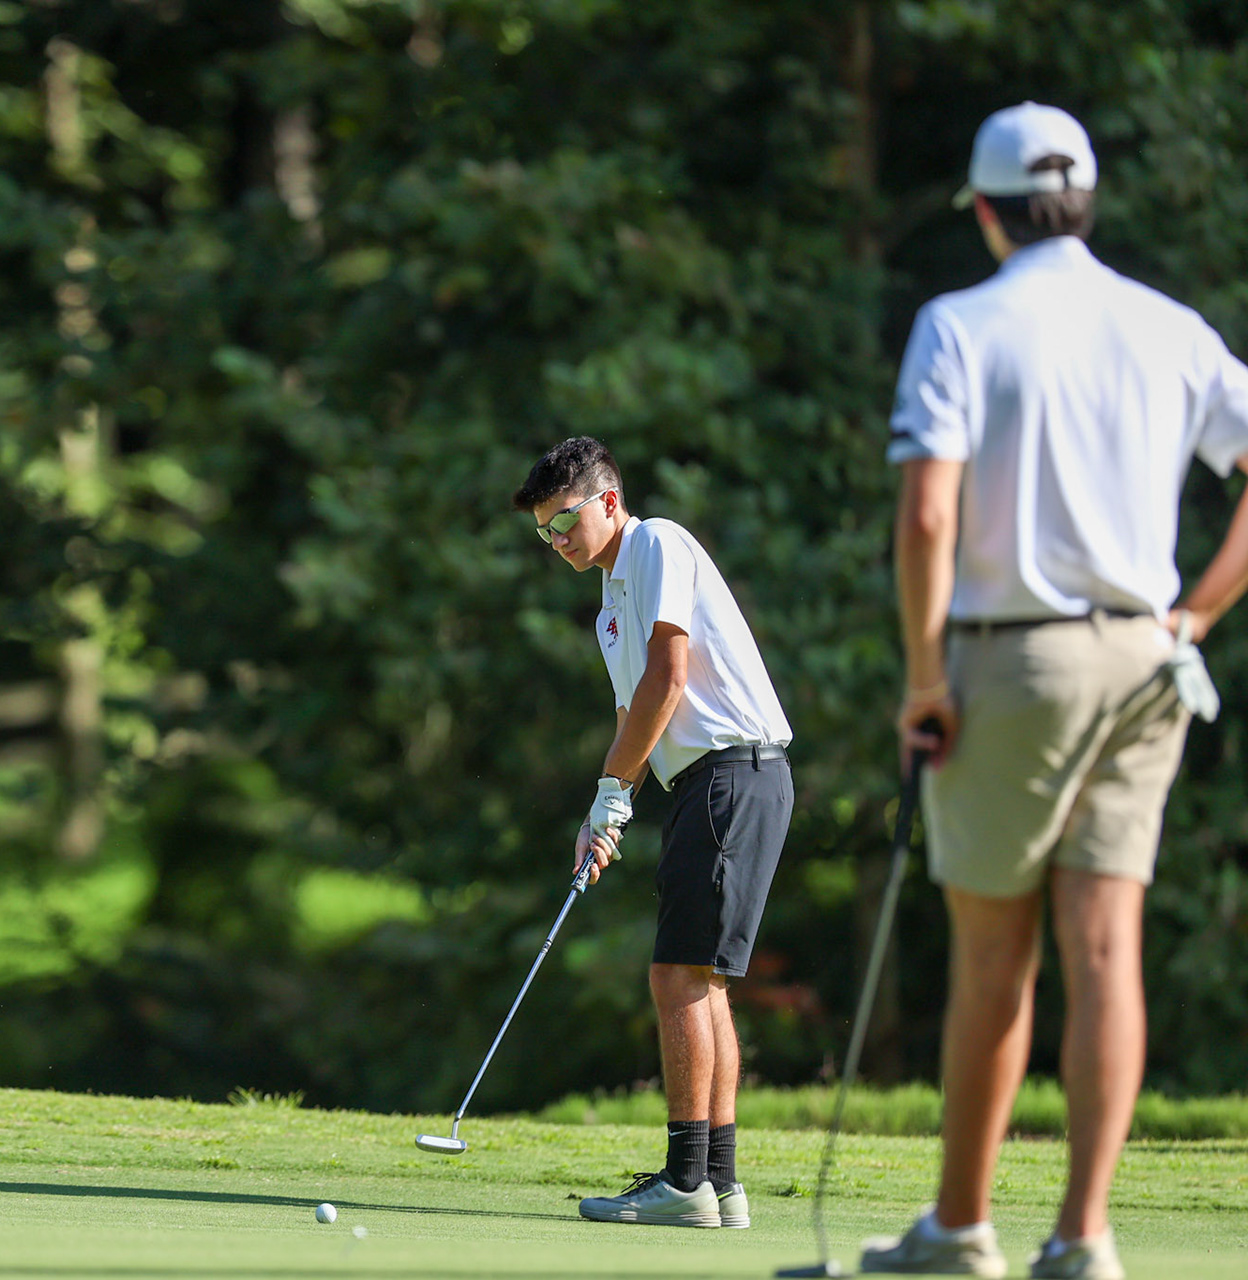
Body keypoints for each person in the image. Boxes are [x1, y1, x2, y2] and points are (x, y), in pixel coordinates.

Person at [867, 103, 1248, 1279]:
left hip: (1010, 661)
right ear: (1083, 199)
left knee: (996, 954)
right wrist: (1196, 613)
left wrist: (925, 677)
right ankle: (1084, 1235)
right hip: (1146, 656)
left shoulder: (958, 321)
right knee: (1106, 945)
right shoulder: (1170, 326)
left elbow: (930, 512)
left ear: (985, 211)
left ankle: (961, 1226)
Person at [513, 437, 794, 1231]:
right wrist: (605, 812)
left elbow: (670, 678)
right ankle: (719, 1182)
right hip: (715, 783)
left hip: (733, 774)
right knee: (702, 981)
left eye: (563, 520)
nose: (556, 540)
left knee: (676, 977)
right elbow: (631, 712)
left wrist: (612, 794)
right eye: (544, 531)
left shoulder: (657, 543)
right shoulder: (608, 611)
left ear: (607, 500)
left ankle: (682, 1182)